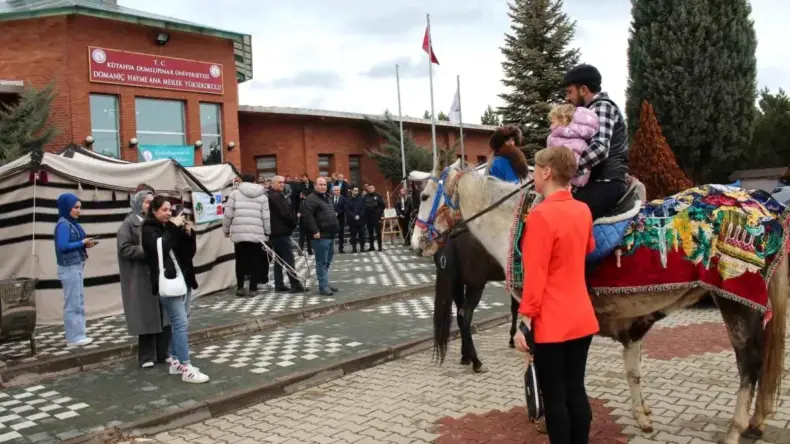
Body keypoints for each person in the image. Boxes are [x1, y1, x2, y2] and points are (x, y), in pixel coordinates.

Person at [513, 145, 599, 444]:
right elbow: (588, 248)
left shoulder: (540, 216)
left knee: (555, 396)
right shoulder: (583, 209)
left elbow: (534, 277)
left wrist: (524, 321)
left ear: (547, 172)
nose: (533, 174)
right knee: (576, 387)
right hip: (581, 317)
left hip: (552, 321)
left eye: (535, 169)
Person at [142, 196, 210, 383]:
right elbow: (160, 248)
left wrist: (188, 234)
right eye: (164, 210)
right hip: (167, 282)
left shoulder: (168, 228)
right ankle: (186, 367)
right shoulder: (149, 229)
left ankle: (174, 360)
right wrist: (173, 228)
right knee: (180, 323)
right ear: (154, 211)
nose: (168, 213)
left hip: (183, 279)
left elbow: (187, 253)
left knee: (182, 319)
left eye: (170, 210)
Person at [561, 64, 629, 220]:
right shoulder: (589, 111)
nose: (567, 98)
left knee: (567, 219)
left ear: (584, 90)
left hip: (606, 181)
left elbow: (600, 148)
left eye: (570, 91)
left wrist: (565, 168)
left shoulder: (601, 106)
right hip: (597, 181)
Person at [118, 189, 172, 368]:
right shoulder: (128, 224)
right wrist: (147, 252)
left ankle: (164, 353)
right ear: (138, 203)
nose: (149, 206)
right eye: (147, 202)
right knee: (146, 316)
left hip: (158, 274)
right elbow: (124, 248)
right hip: (140, 276)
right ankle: (146, 357)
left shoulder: (156, 223)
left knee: (163, 315)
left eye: (152, 202)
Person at [54, 193, 96, 346]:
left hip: (75, 266)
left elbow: (73, 243)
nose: (79, 211)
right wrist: (81, 243)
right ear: (67, 208)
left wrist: (85, 244)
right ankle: (74, 337)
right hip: (69, 267)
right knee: (73, 303)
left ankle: (79, 334)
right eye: (76, 207)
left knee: (77, 301)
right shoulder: (63, 225)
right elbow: (62, 246)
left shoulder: (70, 223)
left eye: (79, 207)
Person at [223, 174, 271, 297]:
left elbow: (228, 214)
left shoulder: (234, 194)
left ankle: (240, 287)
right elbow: (265, 217)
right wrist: (267, 232)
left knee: (240, 261)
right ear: (255, 181)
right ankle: (253, 289)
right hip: (256, 234)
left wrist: (226, 230)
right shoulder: (263, 197)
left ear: (242, 181)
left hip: (239, 233)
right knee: (255, 261)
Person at [300, 177, 339, 296]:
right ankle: (323, 287)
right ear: (315, 186)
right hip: (320, 235)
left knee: (327, 261)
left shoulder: (327, 197)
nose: (323, 187)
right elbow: (308, 216)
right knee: (321, 262)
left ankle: (325, 282)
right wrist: (315, 230)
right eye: (320, 185)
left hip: (330, 234)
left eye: (325, 185)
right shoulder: (311, 199)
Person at [267, 175, 305, 293]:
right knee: (289, 258)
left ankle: (279, 285)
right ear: (272, 184)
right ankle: (295, 284)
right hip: (281, 231)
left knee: (279, 260)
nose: (282, 184)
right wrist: (293, 223)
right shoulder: (275, 196)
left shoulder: (273, 195)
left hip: (276, 232)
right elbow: (285, 213)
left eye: (283, 182)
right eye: (279, 182)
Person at [547, 103, 599, 188]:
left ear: (563, 120)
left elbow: (571, 166)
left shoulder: (573, 143)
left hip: (565, 186)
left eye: (552, 123)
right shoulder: (562, 139)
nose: (550, 127)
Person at [168, 204, 198, 316]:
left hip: (186, 269)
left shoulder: (184, 230)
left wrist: (189, 234)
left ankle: (185, 316)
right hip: (173, 271)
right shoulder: (167, 229)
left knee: (186, 294)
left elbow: (191, 251)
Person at [363, 185, 385, 252]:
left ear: (374, 188)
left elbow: (383, 205)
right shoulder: (366, 196)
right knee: (370, 233)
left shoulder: (378, 195)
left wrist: (379, 213)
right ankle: (371, 247)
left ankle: (380, 247)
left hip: (376, 217)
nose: (370, 189)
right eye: (369, 188)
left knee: (378, 232)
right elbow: (363, 205)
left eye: (371, 188)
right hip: (369, 217)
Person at [345, 186, 366, 253]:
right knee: (353, 236)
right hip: (352, 221)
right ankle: (354, 249)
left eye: (357, 190)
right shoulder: (348, 199)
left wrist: (359, 215)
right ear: (351, 191)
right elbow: (347, 209)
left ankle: (362, 248)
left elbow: (363, 208)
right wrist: (354, 216)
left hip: (361, 220)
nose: (356, 192)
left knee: (362, 235)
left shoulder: (361, 198)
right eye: (355, 190)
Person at [331, 185, 348, 253]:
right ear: (333, 191)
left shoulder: (343, 199)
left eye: (338, 190)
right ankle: (331, 248)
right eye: (336, 190)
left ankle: (341, 248)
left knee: (341, 234)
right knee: (331, 234)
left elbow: (345, 208)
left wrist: (338, 213)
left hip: (340, 218)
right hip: (332, 219)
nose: (337, 191)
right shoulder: (330, 198)